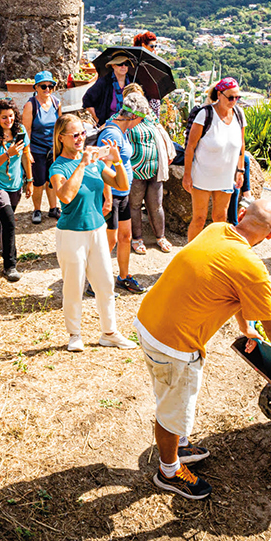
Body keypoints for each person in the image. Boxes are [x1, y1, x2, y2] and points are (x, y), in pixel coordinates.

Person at [134, 200, 271, 500]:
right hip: (174, 345)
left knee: (167, 395)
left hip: (149, 321)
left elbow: (233, 291)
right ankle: (168, 471)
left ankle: (179, 446)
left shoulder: (216, 229)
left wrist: (246, 328)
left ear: (241, 214)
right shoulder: (252, 268)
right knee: (171, 411)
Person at [49, 113, 138, 353]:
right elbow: (65, 196)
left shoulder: (97, 163)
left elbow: (122, 185)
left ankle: (109, 333)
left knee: (105, 284)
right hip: (72, 233)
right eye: (74, 135)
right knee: (74, 286)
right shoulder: (58, 167)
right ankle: (75, 334)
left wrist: (117, 161)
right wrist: (82, 164)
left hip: (97, 229)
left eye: (82, 134)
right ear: (61, 138)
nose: (80, 138)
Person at [183, 78, 246, 243]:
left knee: (220, 219)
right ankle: (191, 253)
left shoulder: (239, 114)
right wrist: (187, 175)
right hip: (202, 175)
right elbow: (190, 146)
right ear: (219, 95)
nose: (234, 101)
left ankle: (214, 251)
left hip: (226, 176)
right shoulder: (205, 114)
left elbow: (241, 144)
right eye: (230, 97)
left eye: (237, 97)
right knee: (199, 218)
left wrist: (240, 170)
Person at [98, 92, 150, 294]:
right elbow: (104, 167)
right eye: (141, 119)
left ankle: (123, 277)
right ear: (134, 116)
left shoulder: (122, 129)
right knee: (109, 240)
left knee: (125, 236)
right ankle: (96, 281)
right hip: (112, 195)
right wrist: (107, 198)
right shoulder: (112, 134)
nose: (141, 123)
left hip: (123, 194)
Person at [0, 99, 34, 282]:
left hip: (15, 185)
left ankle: (0, 237)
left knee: (6, 219)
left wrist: (30, 180)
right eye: (4, 117)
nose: (8, 120)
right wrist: (7, 154)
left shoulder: (20, 131)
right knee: (10, 222)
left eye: (11, 116)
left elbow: (26, 155)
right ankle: (10, 265)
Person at [125, 84, 172, 254]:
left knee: (156, 205)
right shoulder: (124, 117)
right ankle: (137, 238)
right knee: (135, 205)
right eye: (133, 97)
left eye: (140, 96)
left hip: (154, 167)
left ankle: (160, 237)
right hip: (136, 169)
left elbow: (161, 134)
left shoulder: (150, 116)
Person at [21, 70, 61, 224]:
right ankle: (37, 209)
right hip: (37, 149)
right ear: (36, 87)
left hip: (53, 149)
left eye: (51, 86)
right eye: (43, 86)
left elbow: (59, 127)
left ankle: (53, 208)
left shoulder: (56, 103)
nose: (47, 89)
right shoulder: (31, 105)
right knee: (38, 182)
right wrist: (27, 152)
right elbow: (26, 130)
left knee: (52, 180)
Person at [83, 51, 134, 125]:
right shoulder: (104, 82)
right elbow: (87, 99)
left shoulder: (133, 82)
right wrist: (97, 119)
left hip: (129, 124)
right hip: (109, 124)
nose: (123, 66)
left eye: (126, 64)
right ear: (113, 65)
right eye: (120, 64)